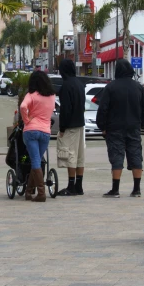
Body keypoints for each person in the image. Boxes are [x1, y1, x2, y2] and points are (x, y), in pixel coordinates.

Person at [96, 59, 144, 198]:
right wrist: (142, 124)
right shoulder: (138, 87)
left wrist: (102, 126)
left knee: (117, 156)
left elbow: (103, 108)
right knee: (136, 155)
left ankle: (115, 189)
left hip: (114, 128)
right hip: (134, 127)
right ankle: (136, 189)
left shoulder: (111, 87)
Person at [19, 71, 55, 202]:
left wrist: (27, 120)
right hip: (45, 131)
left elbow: (23, 106)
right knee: (37, 161)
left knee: (35, 161)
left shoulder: (31, 95)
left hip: (31, 130)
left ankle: (41, 193)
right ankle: (28, 192)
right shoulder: (52, 96)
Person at [56, 59, 86, 196]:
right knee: (80, 155)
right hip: (80, 123)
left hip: (70, 125)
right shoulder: (80, 84)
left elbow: (65, 109)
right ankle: (79, 185)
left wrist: (62, 128)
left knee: (70, 155)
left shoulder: (66, 86)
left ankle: (71, 186)